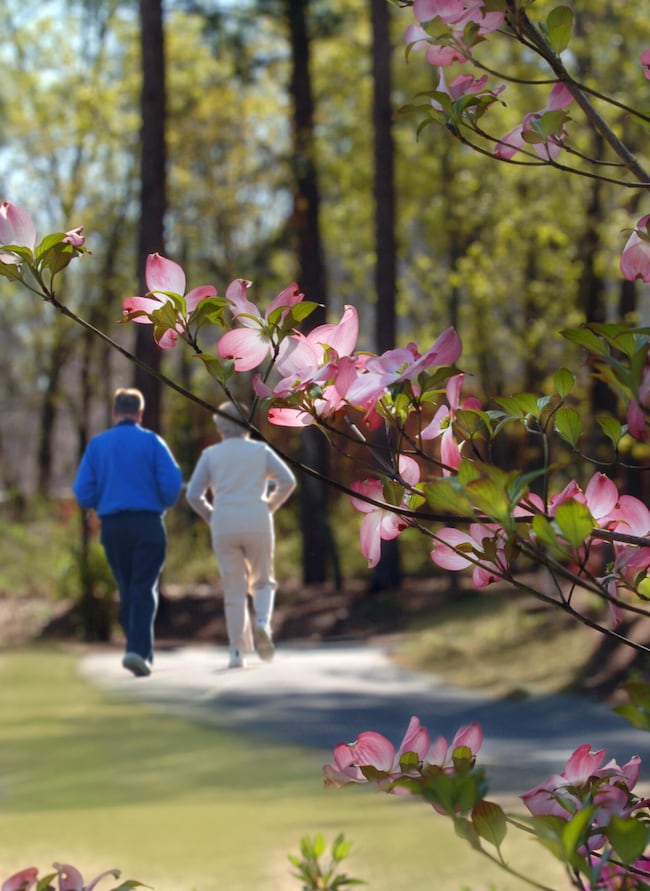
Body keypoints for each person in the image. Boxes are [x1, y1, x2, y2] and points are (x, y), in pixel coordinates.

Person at [72, 387, 183, 678]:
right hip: (148, 523)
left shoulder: (98, 445)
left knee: (127, 587)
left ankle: (136, 650)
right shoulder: (152, 442)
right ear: (140, 413)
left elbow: (82, 491)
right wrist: (161, 503)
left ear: (114, 412)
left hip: (113, 526)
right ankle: (137, 651)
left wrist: (101, 501)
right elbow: (172, 483)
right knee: (144, 587)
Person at [185, 401, 296, 669]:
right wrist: (269, 505)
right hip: (257, 519)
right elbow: (288, 481)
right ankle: (262, 622)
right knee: (263, 579)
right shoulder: (260, 450)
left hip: (224, 523)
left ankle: (236, 652)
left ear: (219, 426)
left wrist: (211, 515)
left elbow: (193, 494)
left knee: (234, 590)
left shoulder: (210, 455)